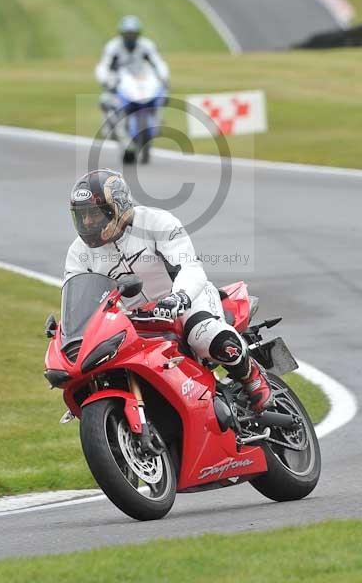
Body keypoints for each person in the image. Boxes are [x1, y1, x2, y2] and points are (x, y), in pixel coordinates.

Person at [64, 168, 272, 414]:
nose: (87, 222)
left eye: (94, 214)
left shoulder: (157, 222)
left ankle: (252, 377)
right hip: (133, 320)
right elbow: (77, 297)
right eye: (82, 215)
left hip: (184, 300)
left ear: (117, 208)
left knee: (203, 335)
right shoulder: (78, 252)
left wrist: (179, 298)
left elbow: (190, 266)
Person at [95, 16, 169, 135]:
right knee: (105, 100)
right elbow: (103, 66)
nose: (130, 37)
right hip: (119, 80)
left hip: (141, 80)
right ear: (122, 34)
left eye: (133, 34)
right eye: (128, 34)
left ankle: (156, 122)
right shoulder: (113, 47)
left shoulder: (146, 45)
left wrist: (164, 77)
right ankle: (110, 127)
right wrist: (105, 80)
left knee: (162, 95)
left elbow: (158, 63)